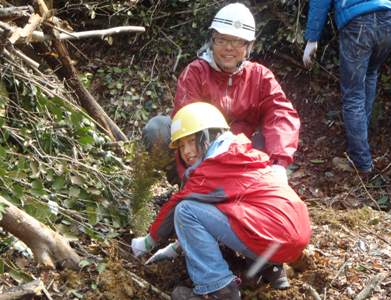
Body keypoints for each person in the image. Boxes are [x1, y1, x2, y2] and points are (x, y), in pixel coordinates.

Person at [132, 102, 312, 299]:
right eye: (181, 146)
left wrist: (147, 243)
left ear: (210, 135)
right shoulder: (238, 152)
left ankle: (217, 289)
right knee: (229, 208)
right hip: (293, 234)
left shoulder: (214, 166)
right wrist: (176, 247)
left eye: (191, 141)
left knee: (185, 210)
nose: (187, 152)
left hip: (274, 236)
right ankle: (268, 270)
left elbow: (176, 205)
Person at [143, 2, 300, 185]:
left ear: (248, 46)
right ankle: (186, 182)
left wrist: (279, 164)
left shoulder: (260, 76)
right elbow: (187, 129)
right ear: (212, 41)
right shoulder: (196, 73)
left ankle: (255, 188)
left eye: (237, 41)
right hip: (201, 156)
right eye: (222, 40)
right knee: (159, 128)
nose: (228, 48)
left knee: (268, 136)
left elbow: (281, 115)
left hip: (243, 156)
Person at [303, 1, 391, 176]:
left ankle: (361, 162)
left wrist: (312, 38)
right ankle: (361, 141)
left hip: (359, 21)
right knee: (370, 74)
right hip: (390, 18)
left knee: (354, 94)